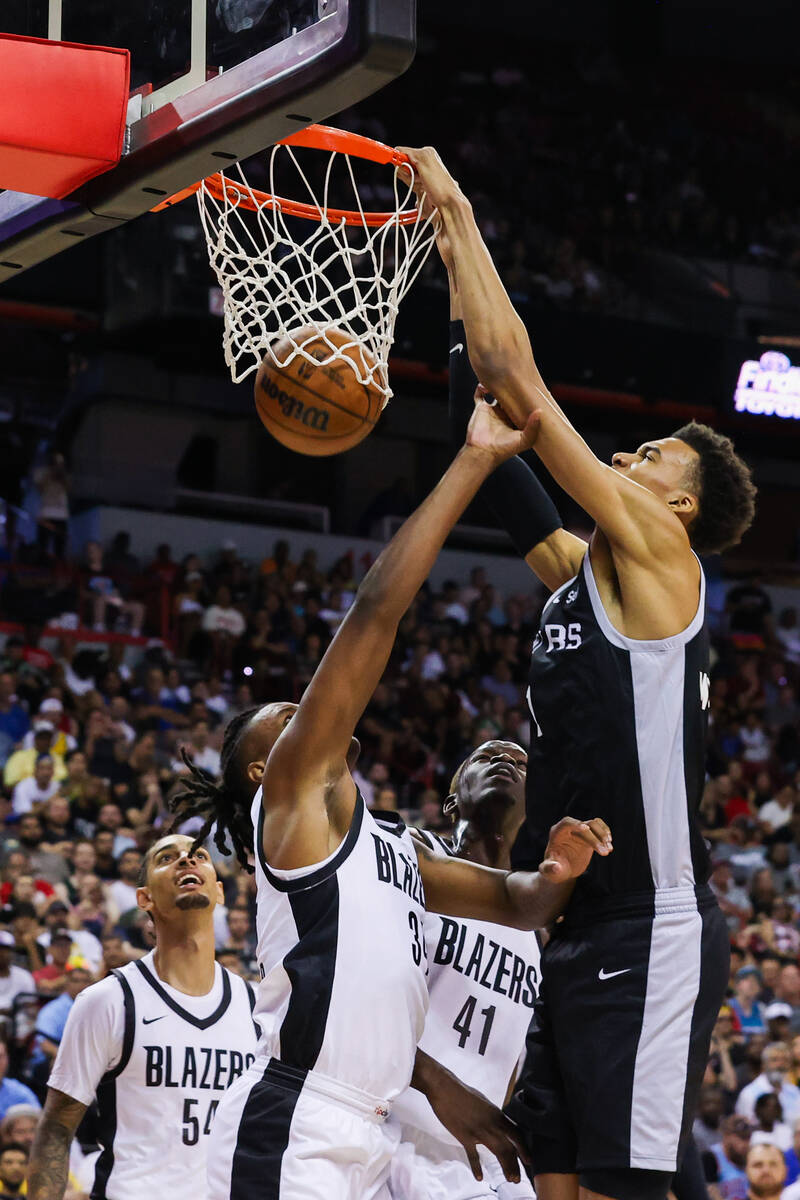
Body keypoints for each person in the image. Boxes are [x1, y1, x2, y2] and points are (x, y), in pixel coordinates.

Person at [402, 143, 756, 1200]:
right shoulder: (578, 575)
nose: (627, 460)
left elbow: (518, 383)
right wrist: (451, 311)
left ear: (677, 509)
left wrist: (459, 210)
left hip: (651, 925)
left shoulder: (660, 562)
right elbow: (487, 405)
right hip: (567, 921)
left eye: (651, 461)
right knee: (549, 1189)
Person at [168, 403, 613, 1200]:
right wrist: (473, 462)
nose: (307, 718)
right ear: (269, 772)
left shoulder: (398, 851)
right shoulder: (294, 811)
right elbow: (377, 611)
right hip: (295, 1114)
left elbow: (518, 903)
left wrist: (563, 865)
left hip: (369, 1130)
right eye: (290, 721)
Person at [26, 833, 258, 1200]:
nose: (186, 859)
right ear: (144, 898)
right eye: (168, 857)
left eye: (198, 855)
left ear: (220, 891)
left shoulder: (256, 1006)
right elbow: (56, 1127)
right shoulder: (107, 1000)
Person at [390, 738, 538, 1200]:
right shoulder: (410, 857)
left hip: (480, 1154)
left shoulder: (535, 923)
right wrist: (438, 1085)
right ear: (452, 801)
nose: (504, 763)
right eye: (486, 756)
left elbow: (511, 1055)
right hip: (394, 1133)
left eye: (519, 762)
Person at [737, 1044, 800, 1125]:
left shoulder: (795, 1092)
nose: (780, 1064)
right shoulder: (749, 1094)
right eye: (774, 1060)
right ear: (763, 1064)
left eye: (785, 1060)